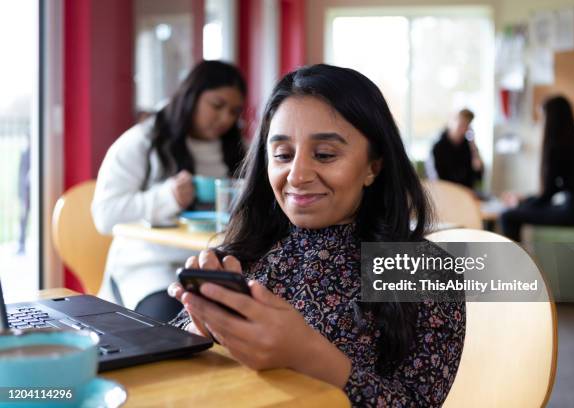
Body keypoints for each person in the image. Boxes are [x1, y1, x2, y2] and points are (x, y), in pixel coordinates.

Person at [167, 64, 465, 406]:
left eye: (324, 155)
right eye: (282, 155)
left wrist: (307, 353)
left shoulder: (417, 268)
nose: (297, 175)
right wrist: (204, 327)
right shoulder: (245, 255)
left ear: (374, 166)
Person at [92, 60, 247, 321]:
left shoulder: (240, 147)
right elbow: (104, 215)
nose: (225, 119)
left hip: (215, 263)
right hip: (149, 267)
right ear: (191, 96)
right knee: (174, 327)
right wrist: (167, 198)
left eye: (234, 111)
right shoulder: (143, 141)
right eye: (217, 106)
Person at [500, 96, 574, 242]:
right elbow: (554, 190)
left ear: (551, 118)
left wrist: (521, 204)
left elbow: (547, 194)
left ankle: (516, 263)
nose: (541, 122)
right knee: (517, 212)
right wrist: (525, 201)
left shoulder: (556, 146)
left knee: (508, 216)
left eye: (542, 117)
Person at [428, 108, 483, 190]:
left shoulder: (469, 147)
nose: (463, 128)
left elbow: (478, 175)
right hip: (445, 192)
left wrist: (474, 150)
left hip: (465, 193)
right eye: (461, 124)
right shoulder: (438, 147)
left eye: (467, 125)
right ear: (452, 122)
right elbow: (435, 177)